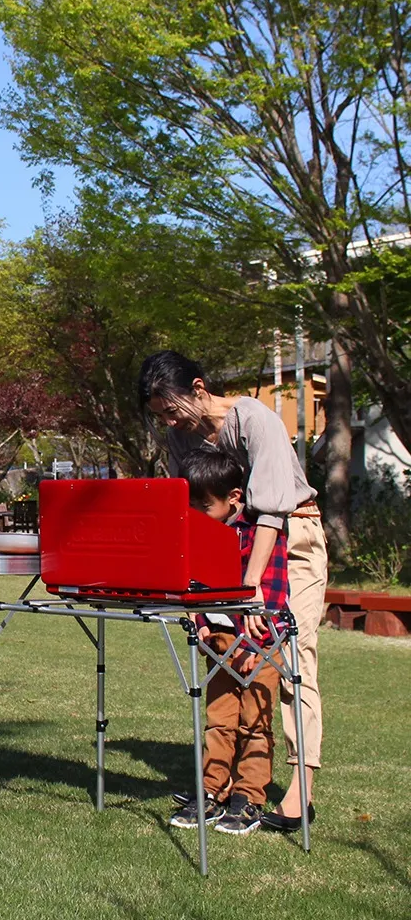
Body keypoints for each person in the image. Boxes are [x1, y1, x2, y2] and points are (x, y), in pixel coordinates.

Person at [138, 350, 327, 830]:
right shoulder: (181, 439)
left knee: (289, 658)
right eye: (158, 414)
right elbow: (195, 513)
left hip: (289, 538)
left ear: (198, 389)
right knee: (224, 656)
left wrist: (251, 588)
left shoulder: (254, 421)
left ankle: (298, 794)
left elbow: (270, 510)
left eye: (170, 407)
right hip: (230, 546)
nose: (168, 420)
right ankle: (221, 783)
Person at [169, 449, 288, 834]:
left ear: (235, 497)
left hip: (258, 645)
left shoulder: (263, 535)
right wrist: (200, 622)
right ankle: (211, 789)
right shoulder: (199, 532)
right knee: (219, 721)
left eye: (205, 505)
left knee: (255, 722)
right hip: (219, 642)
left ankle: (250, 796)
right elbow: (194, 583)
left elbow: (272, 592)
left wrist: (259, 646)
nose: (197, 513)